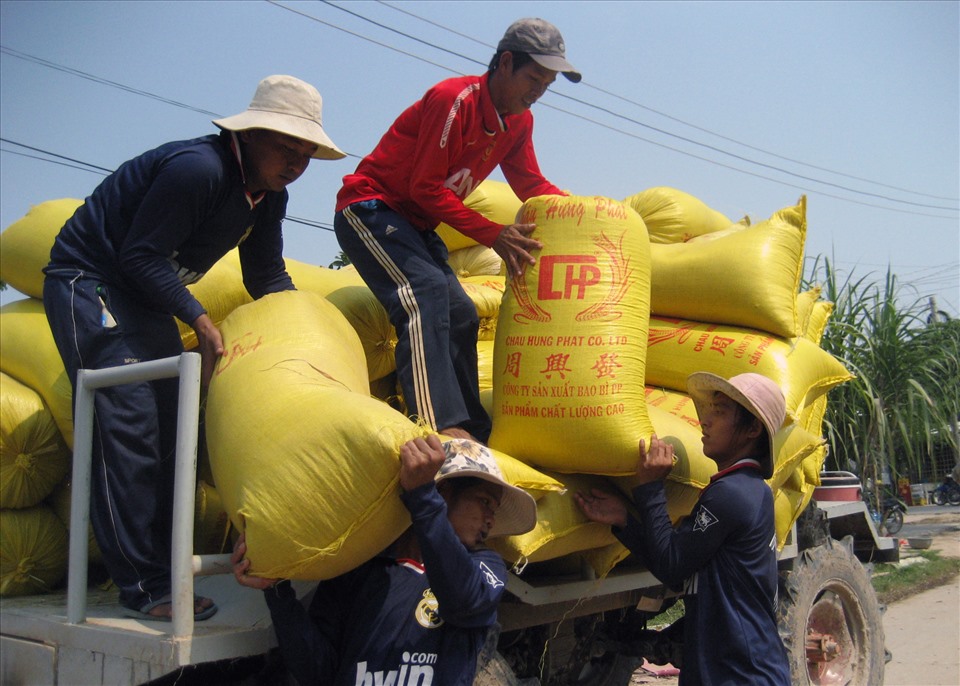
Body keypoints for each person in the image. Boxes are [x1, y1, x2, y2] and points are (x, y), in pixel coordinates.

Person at [42, 75, 345, 621]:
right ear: (250, 135)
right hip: (92, 282)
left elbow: (266, 273)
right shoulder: (198, 170)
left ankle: (159, 569)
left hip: (145, 300)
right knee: (130, 424)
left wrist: (308, 323)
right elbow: (138, 256)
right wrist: (201, 320)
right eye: (286, 146)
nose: (297, 162)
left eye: (307, 153)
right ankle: (143, 585)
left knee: (171, 428)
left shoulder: (269, 196)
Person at [333, 18, 581, 444]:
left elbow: (530, 184)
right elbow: (424, 187)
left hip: (414, 223)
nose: (539, 90)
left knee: (463, 313)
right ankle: (440, 425)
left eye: (548, 83)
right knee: (424, 292)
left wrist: (581, 212)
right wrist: (494, 234)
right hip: (371, 208)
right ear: (505, 63)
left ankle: (475, 430)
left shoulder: (519, 122)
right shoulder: (455, 100)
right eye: (534, 77)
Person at [231, 435, 537, 685]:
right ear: (444, 493)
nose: (489, 520)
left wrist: (423, 500)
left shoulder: (486, 567)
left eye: (494, 510)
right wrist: (277, 592)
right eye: (484, 502)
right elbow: (319, 673)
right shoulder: (361, 565)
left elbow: (464, 600)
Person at [575, 373, 791, 685]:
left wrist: (650, 488)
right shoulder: (744, 490)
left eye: (720, 412)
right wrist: (624, 521)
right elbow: (679, 564)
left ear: (752, 429)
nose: (705, 422)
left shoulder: (733, 494)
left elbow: (671, 564)